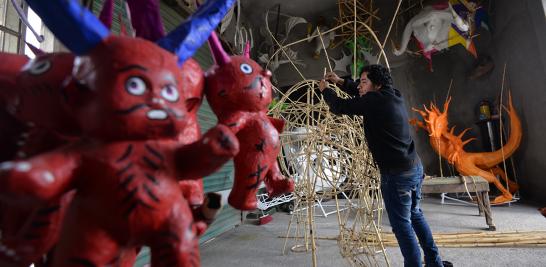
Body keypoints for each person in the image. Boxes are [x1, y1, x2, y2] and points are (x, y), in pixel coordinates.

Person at [318, 65, 452, 267]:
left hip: (397, 176)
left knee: (402, 226)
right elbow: (360, 92)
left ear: (377, 85)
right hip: (414, 168)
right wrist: (340, 82)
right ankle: (435, 263)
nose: (360, 86)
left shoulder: (373, 101)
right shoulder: (391, 94)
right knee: (415, 215)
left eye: (364, 82)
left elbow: (340, 107)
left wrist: (325, 90)